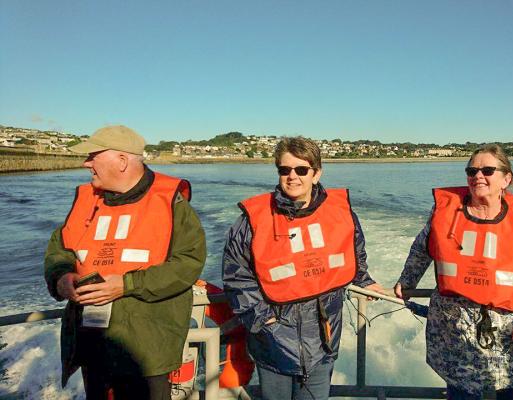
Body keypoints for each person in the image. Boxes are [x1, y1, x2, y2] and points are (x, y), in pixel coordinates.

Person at [44, 125, 206, 400]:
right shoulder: (85, 200)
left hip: (145, 351)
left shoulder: (170, 202)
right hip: (93, 345)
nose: (86, 163)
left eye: (93, 155)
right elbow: (59, 250)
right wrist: (61, 277)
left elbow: (188, 263)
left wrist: (127, 284)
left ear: (122, 161)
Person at [222, 136, 383, 400]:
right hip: (272, 344)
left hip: (322, 339)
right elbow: (236, 275)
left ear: (316, 173)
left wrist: (363, 279)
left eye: (301, 170)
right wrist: (266, 323)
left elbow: (354, 252)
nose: (292, 176)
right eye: (285, 170)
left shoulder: (341, 214)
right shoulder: (253, 220)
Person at [395, 144, 513, 400]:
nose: (478, 176)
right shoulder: (444, 214)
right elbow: (422, 248)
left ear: (506, 179)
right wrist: (407, 281)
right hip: (456, 340)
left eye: (487, 170)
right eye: (472, 171)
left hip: (511, 340)